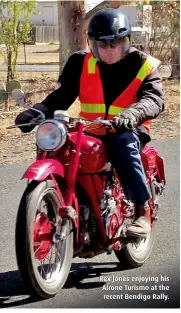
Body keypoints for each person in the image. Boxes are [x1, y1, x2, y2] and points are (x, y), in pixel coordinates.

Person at [15, 8, 165, 237]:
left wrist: (133, 114)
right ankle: (55, 202)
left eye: (114, 43)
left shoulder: (143, 65)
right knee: (56, 145)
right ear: (92, 44)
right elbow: (63, 95)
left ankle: (140, 211)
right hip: (89, 128)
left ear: (126, 42)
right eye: (101, 45)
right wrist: (38, 111)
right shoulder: (80, 62)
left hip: (128, 127)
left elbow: (154, 99)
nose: (108, 50)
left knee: (123, 146)